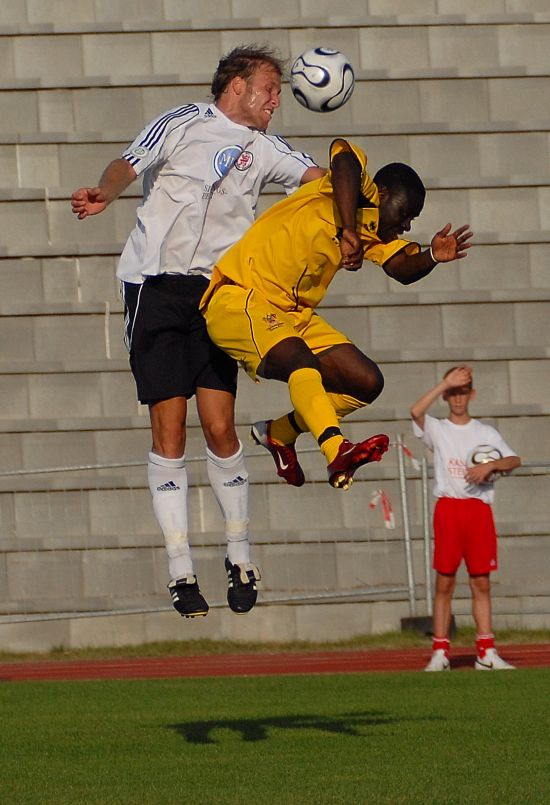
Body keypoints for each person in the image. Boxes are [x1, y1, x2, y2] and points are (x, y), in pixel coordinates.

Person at [70, 45, 324, 619]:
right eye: (269, 89)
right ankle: (180, 568)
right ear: (237, 86)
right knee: (170, 430)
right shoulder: (183, 121)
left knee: (220, 427)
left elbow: (318, 180)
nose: (276, 100)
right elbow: (128, 163)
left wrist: (353, 205)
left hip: (218, 295)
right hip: (155, 286)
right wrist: (106, 192)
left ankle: (240, 556)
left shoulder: (267, 148)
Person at [200, 138, 473, 491]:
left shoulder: (375, 233)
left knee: (365, 381)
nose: (407, 225)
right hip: (241, 297)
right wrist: (348, 230)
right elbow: (343, 157)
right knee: (301, 360)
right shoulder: (347, 189)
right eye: (405, 213)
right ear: (382, 193)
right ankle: (336, 450)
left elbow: (401, 268)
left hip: (292, 313)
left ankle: (278, 433)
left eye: (413, 219)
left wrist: (432, 256)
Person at [410, 365, 521, 671]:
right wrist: (444, 382)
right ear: (446, 396)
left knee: (481, 582)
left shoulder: (485, 432)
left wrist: (491, 466)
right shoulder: (438, 429)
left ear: (472, 394)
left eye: (463, 392)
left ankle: (486, 652)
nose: (458, 398)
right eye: (453, 393)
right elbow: (415, 411)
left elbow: (514, 459)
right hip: (449, 509)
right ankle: (440, 652)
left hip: (478, 510)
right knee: (445, 581)